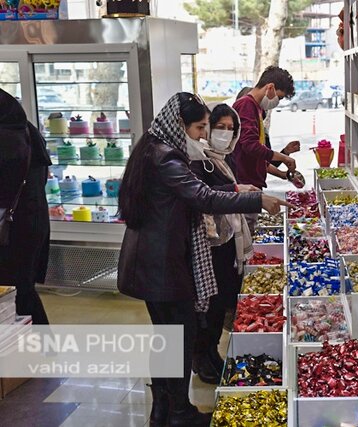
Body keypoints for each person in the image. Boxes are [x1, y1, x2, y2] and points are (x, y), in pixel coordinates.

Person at [117, 92, 290, 427]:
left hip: (151, 259)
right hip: (163, 264)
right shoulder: (167, 157)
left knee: (166, 337)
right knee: (179, 337)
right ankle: (179, 413)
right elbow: (203, 197)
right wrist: (255, 199)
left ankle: (163, 410)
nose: (202, 134)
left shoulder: (152, 148)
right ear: (179, 124)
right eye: (199, 127)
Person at [188, 103, 254, 384]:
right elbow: (205, 195)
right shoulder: (195, 159)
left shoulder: (225, 159)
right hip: (209, 243)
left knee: (221, 301)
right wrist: (237, 192)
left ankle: (212, 352)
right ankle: (201, 358)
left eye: (231, 129)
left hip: (228, 241)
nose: (225, 134)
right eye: (219, 128)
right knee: (208, 304)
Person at [0, 88, 51, 325]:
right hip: (32, 222)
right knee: (24, 289)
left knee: (17, 294)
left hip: (13, 230)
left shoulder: (7, 141)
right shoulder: (27, 131)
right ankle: (44, 351)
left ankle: (37, 351)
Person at [235, 86, 300, 180]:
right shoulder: (238, 133)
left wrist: (285, 153)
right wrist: (283, 157)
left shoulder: (261, 132)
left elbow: (263, 161)